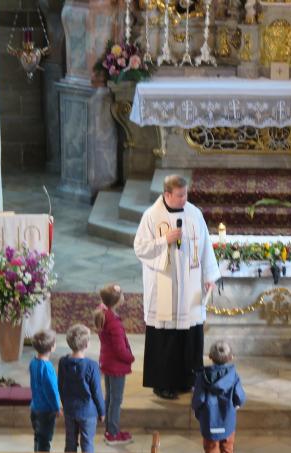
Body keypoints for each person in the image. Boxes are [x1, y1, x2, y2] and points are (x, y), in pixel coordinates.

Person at [134, 175, 221, 400]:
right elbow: (140, 248)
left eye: (186, 194)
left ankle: (187, 380)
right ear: (167, 194)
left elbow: (205, 246)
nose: (184, 199)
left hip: (191, 283)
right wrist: (165, 241)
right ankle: (162, 383)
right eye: (180, 195)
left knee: (190, 333)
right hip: (165, 285)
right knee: (165, 335)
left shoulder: (194, 214)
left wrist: (209, 275)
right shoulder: (152, 216)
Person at [93, 284, 135, 445]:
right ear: (117, 301)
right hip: (117, 365)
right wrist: (129, 358)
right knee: (115, 400)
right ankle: (113, 433)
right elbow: (119, 349)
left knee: (110, 398)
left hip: (108, 362)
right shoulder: (114, 322)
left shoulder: (104, 314)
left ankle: (110, 430)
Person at [192, 341, 246, 453]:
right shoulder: (234, 376)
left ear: (210, 356)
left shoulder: (202, 377)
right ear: (231, 357)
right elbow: (240, 397)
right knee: (227, 448)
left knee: (211, 449)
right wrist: (236, 405)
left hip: (209, 420)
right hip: (227, 420)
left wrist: (197, 410)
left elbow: (199, 399)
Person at [59, 324, 105, 453]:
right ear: (86, 345)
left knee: (70, 442)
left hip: (69, 410)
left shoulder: (63, 362)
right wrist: (102, 412)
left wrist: (64, 404)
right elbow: (97, 392)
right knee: (87, 443)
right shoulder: (92, 365)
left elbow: (60, 387)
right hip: (88, 413)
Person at [29, 329, 61, 453]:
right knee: (44, 442)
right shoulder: (47, 368)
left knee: (38, 437)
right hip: (46, 411)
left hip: (35, 407)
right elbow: (51, 391)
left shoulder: (33, 362)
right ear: (52, 347)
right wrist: (56, 407)